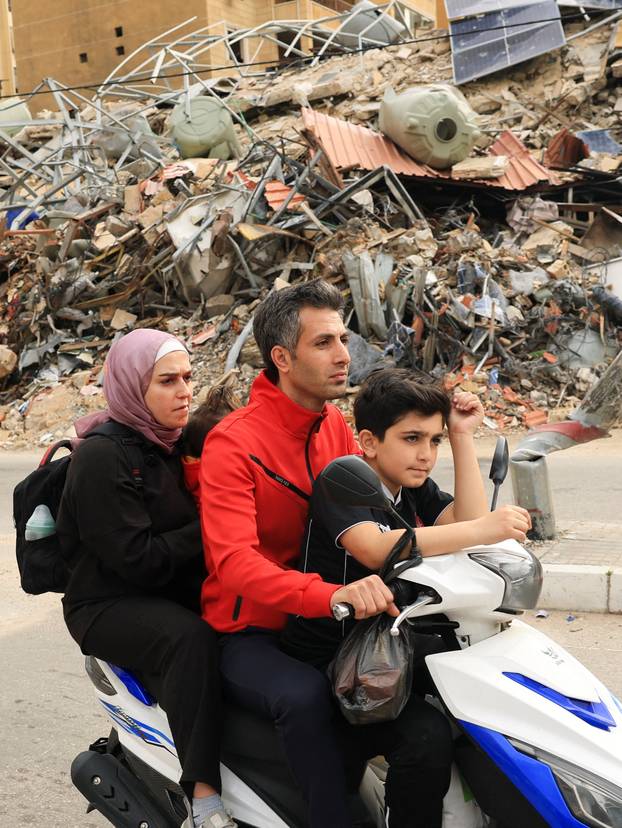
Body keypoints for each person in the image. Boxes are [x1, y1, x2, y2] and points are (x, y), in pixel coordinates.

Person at [281, 368, 532, 827]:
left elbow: (466, 522)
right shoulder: (346, 478)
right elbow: (375, 547)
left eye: (433, 441)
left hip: (390, 651)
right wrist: (482, 528)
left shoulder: (411, 487)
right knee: (426, 737)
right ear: (370, 441)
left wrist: (459, 436)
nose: (425, 454)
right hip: (336, 663)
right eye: (413, 438)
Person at [199, 280, 398, 828]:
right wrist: (333, 596)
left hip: (327, 619)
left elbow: (379, 513)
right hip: (253, 632)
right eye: (324, 343)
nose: (343, 355)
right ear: (282, 357)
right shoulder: (233, 443)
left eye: (344, 338)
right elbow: (234, 563)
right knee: (308, 696)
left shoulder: (333, 424)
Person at [57, 329, 236, 828]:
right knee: (190, 641)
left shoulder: (176, 445)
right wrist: (215, 525)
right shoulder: (101, 457)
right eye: (167, 381)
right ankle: (205, 800)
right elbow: (139, 560)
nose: (184, 391)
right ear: (134, 387)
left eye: (187, 378)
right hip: (106, 604)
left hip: (168, 589)